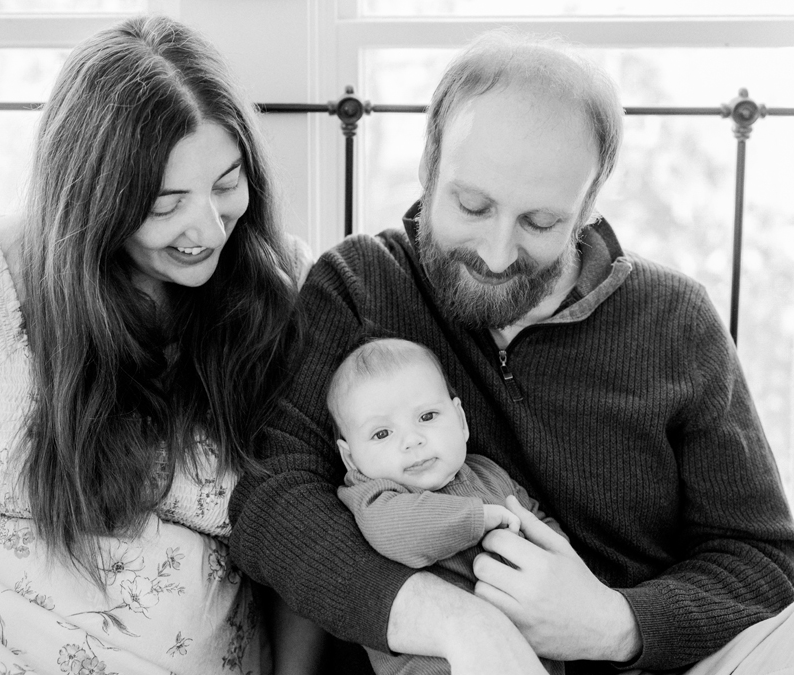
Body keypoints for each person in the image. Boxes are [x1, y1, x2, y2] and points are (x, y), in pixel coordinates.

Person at [228, 27, 794, 675]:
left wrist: (617, 623)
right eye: (472, 205)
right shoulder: (361, 283)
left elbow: (762, 558)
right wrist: (458, 621)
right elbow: (274, 499)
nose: (497, 255)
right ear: (428, 166)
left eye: (540, 222)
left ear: (586, 208)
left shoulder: (676, 319)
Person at [0, 15, 310, 675]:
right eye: (166, 202)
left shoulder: (281, 298)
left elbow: (308, 542)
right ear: (94, 200)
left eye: (227, 183)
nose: (207, 225)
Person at [330, 337, 565, 675]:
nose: (412, 440)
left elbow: (538, 523)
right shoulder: (374, 495)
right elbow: (400, 532)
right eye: (382, 434)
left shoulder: (488, 473)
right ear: (351, 458)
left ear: (461, 420)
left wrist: (559, 564)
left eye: (427, 416)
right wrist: (478, 518)